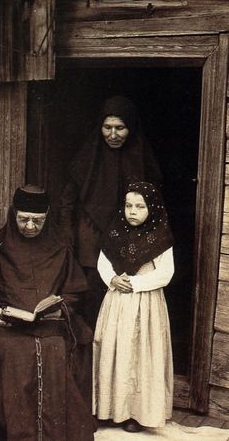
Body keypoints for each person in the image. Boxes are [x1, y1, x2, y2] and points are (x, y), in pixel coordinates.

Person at [0, 185, 95, 441]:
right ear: (13, 214)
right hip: (7, 326)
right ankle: (10, 427)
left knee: (55, 347)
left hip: (52, 324)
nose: (29, 226)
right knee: (9, 349)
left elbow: (75, 293)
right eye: (23, 219)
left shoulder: (61, 247)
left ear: (47, 217)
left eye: (37, 221)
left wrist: (60, 310)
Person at [60, 95, 162, 331]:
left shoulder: (144, 161)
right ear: (100, 127)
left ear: (131, 128)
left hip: (130, 241)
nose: (113, 135)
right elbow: (67, 203)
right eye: (107, 127)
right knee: (92, 301)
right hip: (91, 242)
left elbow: (155, 206)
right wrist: (68, 239)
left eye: (120, 128)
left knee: (126, 302)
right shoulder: (86, 159)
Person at [93, 181, 174, 433]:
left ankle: (136, 413)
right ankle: (108, 409)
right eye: (128, 205)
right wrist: (113, 279)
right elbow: (103, 263)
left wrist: (136, 283)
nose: (133, 211)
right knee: (112, 350)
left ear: (152, 208)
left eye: (140, 206)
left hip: (145, 304)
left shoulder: (160, 237)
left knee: (139, 356)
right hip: (117, 301)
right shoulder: (115, 233)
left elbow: (166, 274)